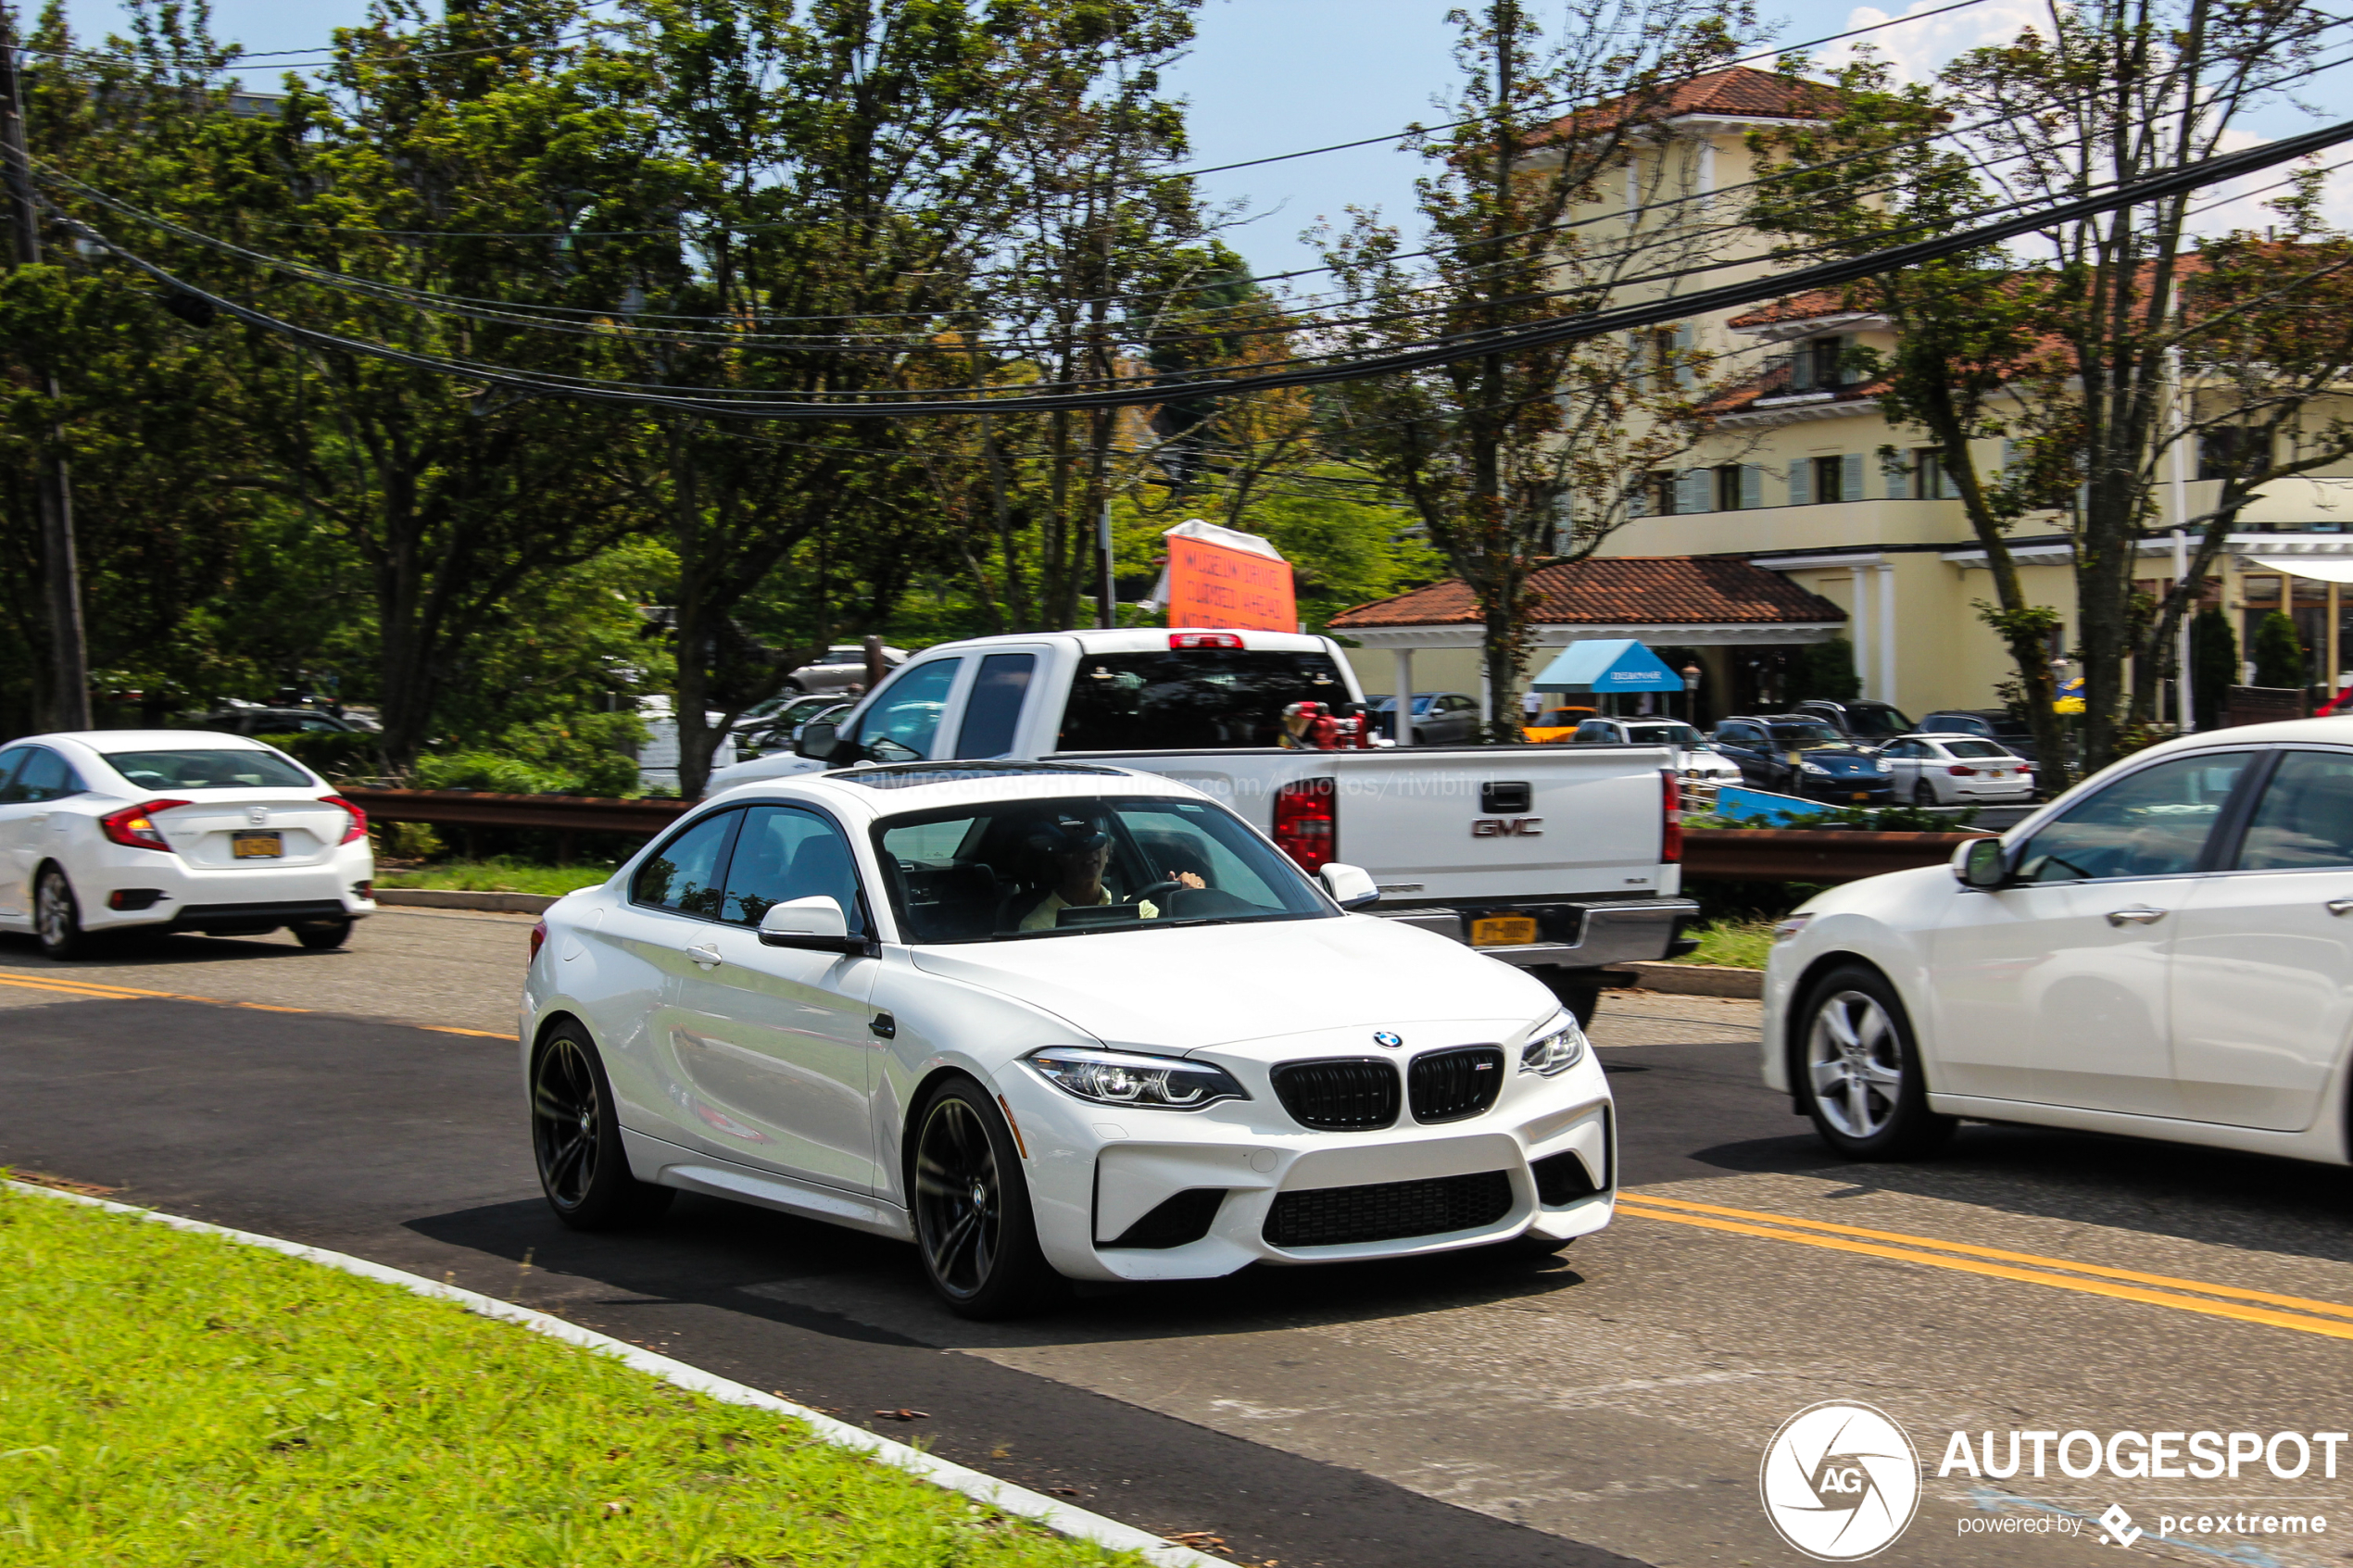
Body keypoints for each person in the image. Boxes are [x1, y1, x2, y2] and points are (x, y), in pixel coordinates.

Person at [1014, 817, 1202, 931]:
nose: (1088, 851)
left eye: (1097, 842)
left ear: (1108, 852)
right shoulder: (1036, 924)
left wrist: (1189, 898)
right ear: (1060, 856)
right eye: (1077, 844)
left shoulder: (1139, 908)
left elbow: (1176, 940)